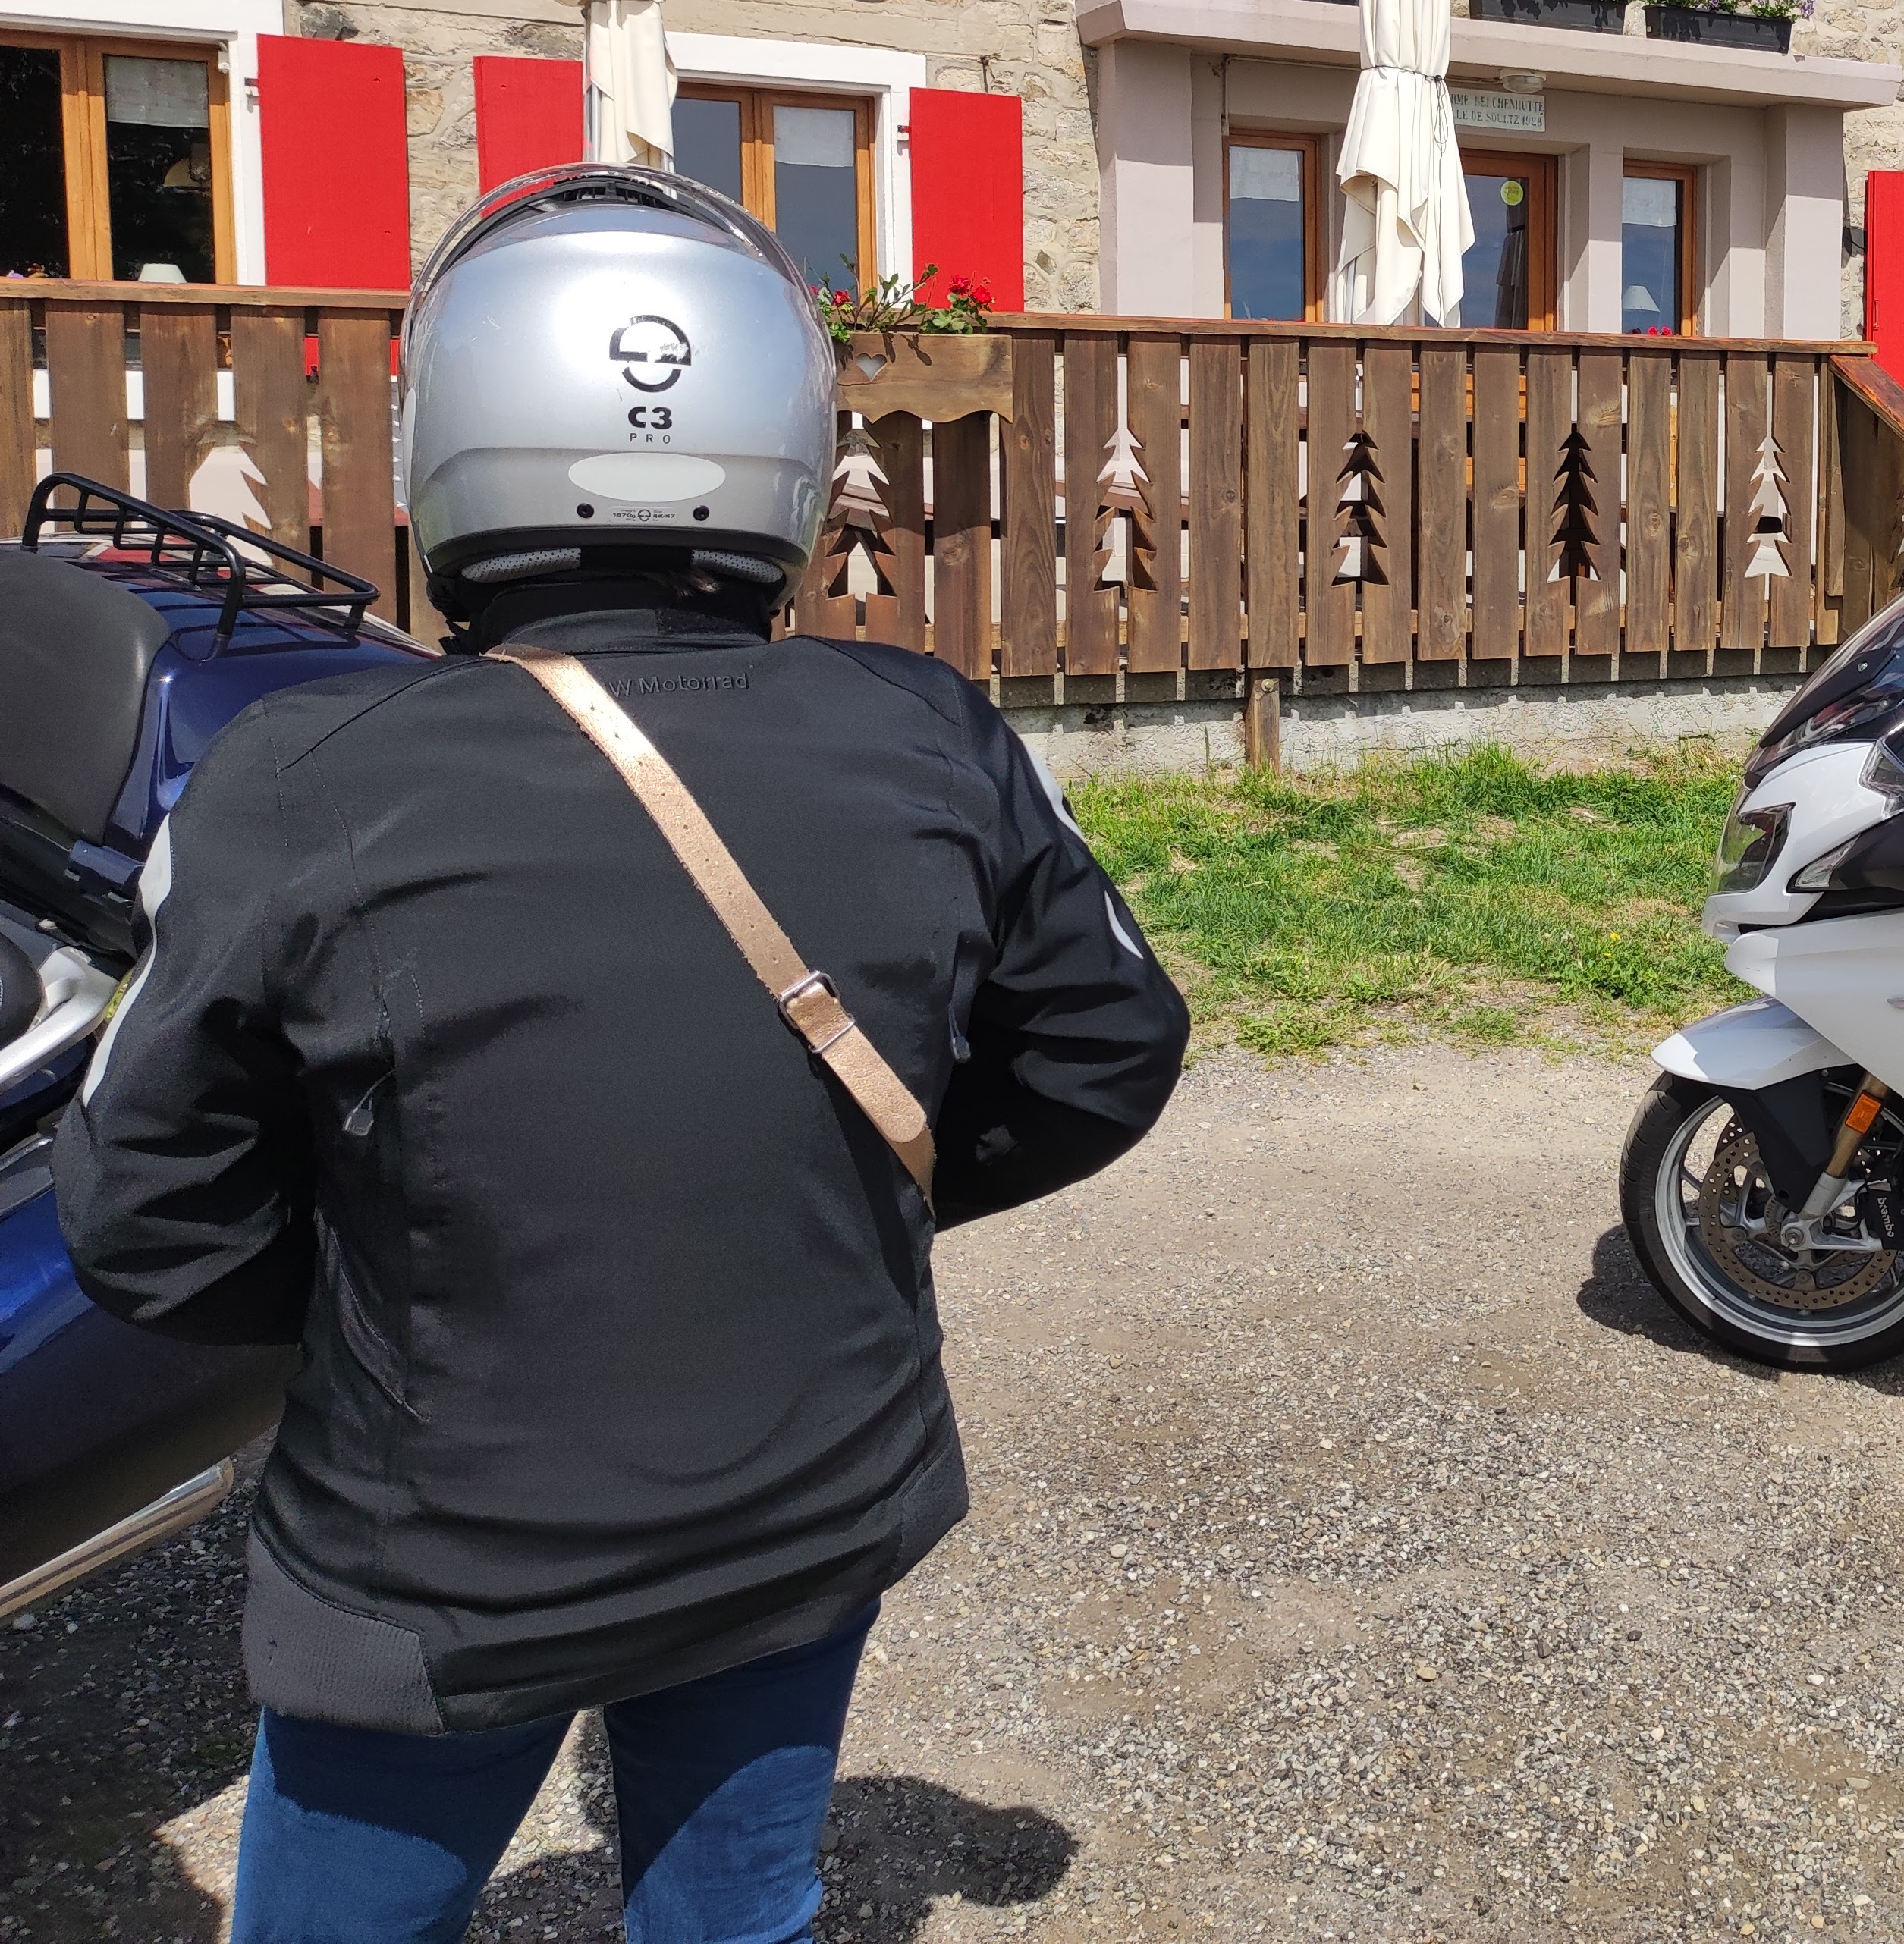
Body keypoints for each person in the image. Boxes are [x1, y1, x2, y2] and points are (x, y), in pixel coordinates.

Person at [58, 168, 1191, 1939]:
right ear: (784, 449)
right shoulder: (928, 727)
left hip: (440, 1561)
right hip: (811, 1493)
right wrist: (852, 1187)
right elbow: (1107, 1045)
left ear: (448, 443)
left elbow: (142, 1212)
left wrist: (384, 1283)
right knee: (736, 1917)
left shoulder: (299, 772)